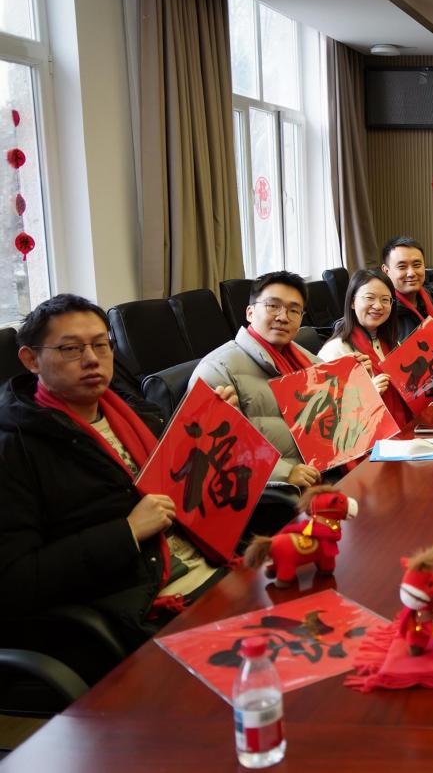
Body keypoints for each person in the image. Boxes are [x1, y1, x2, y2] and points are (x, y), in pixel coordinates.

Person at [0, 295, 230, 657]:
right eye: (71, 349)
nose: (92, 359)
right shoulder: (15, 450)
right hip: (146, 611)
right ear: (31, 359)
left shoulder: (138, 413)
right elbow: (15, 582)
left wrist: (211, 433)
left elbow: (185, 486)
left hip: (215, 566)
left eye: (100, 345)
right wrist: (127, 532)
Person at [190, 271, 321, 489]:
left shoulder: (306, 359)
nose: (283, 317)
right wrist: (285, 473)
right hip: (278, 490)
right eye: (273, 306)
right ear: (250, 313)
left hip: (322, 468)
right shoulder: (217, 370)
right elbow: (216, 449)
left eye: (294, 310)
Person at [319, 268, 414, 433]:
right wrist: (368, 395)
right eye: (370, 298)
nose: (378, 306)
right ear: (352, 302)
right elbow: (326, 418)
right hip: (366, 438)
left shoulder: (391, 342)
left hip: (403, 428)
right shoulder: (335, 351)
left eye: (385, 300)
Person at [381, 236, 433, 337]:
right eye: (402, 267)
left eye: (417, 265)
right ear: (386, 271)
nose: (411, 273)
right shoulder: (383, 311)